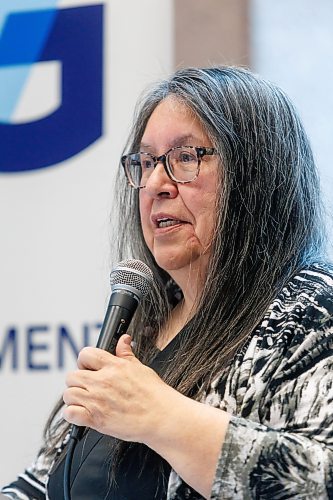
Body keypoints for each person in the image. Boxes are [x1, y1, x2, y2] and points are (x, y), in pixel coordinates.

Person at [2, 65, 333, 499]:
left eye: (185, 158)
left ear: (256, 173)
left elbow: (318, 480)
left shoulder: (309, 312)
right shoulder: (138, 329)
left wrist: (161, 415)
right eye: (146, 162)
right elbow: (43, 482)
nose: (156, 183)